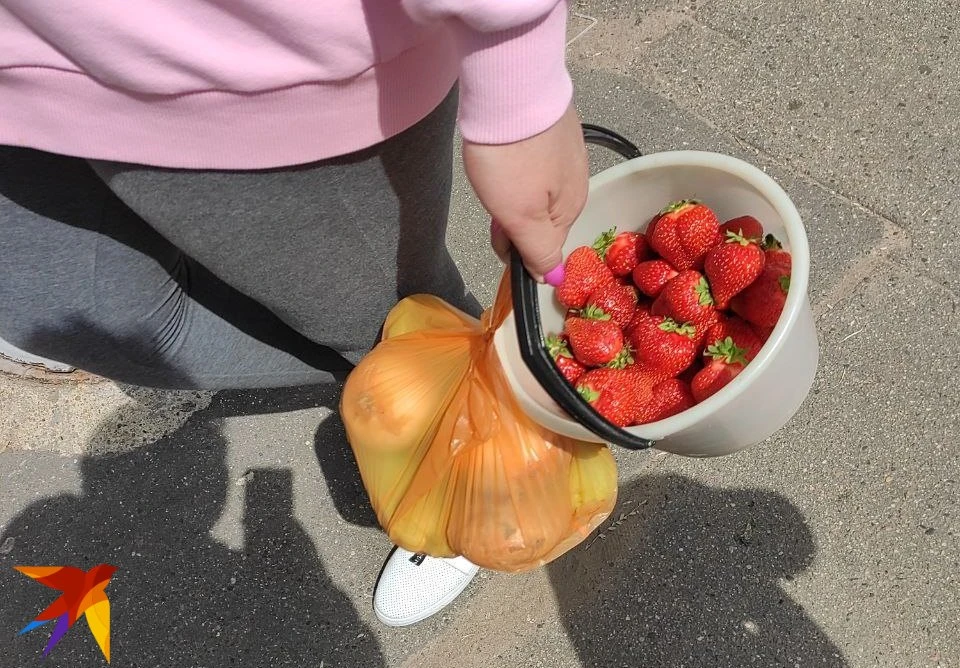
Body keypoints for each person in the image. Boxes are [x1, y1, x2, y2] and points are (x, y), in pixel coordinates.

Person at [0, 0, 588, 626]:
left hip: (274, 71)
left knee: (389, 314)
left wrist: (520, 76)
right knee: (75, 313)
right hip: (27, 64)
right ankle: (422, 393)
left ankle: (475, 478)